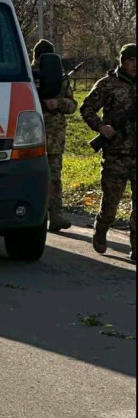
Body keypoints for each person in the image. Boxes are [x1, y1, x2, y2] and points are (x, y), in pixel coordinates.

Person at [81, 43, 136, 261]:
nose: (135, 65)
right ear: (122, 61)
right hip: (116, 154)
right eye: (131, 60)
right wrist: (101, 127)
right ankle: (102, 227)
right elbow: (87, 108)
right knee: (111, 203)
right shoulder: (108, 84)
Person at [32, 39, 78, 232]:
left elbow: (72, 105)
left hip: (55, 135)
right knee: (32, 177)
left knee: (54, 177)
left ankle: (56, 215)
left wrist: (58, 103)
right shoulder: (28, 75)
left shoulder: (60, 78)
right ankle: (35, 215)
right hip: (31, 134)